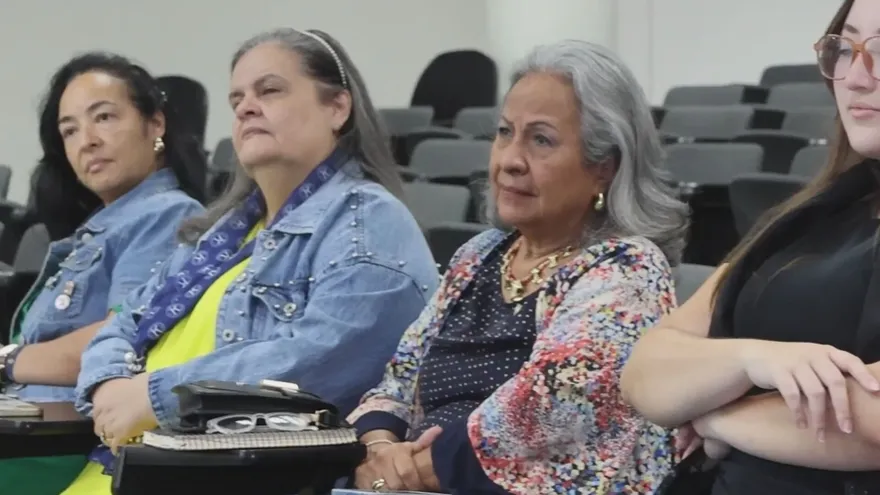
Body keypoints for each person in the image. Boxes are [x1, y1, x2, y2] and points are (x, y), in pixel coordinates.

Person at [61, 28, 438, 494]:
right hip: (130, 460)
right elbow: (123, 321)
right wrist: (109, 387)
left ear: (337, 107)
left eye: (270, 90)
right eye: (237, 98)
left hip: (232, 476)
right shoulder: (225, 231)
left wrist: (156, 398)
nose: (245, 107)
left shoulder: (368, 220)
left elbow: (320, 356)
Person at [347, 39, 690, 494]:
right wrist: (376, 446)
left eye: (541, 140)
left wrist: (402, 472)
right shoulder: (480, 254)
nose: (509, 161)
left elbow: (538, 415)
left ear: (603, 167)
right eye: (505, 132)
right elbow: (399, 378)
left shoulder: (627, 270)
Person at [620, 1, 880, 493]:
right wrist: (750, 359)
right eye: (845, 48)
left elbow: (872, 418)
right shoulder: (810, 215)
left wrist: (716, 416)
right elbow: (645, 373)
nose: (857, 78)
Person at [0, 52, 206, 495]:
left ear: (155, 125)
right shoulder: (96, 229)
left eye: (104, 117)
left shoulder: (169, 216)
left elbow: (127, 337)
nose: (86, 141)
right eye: (69, 130)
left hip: (69, 444)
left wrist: (8, 360)